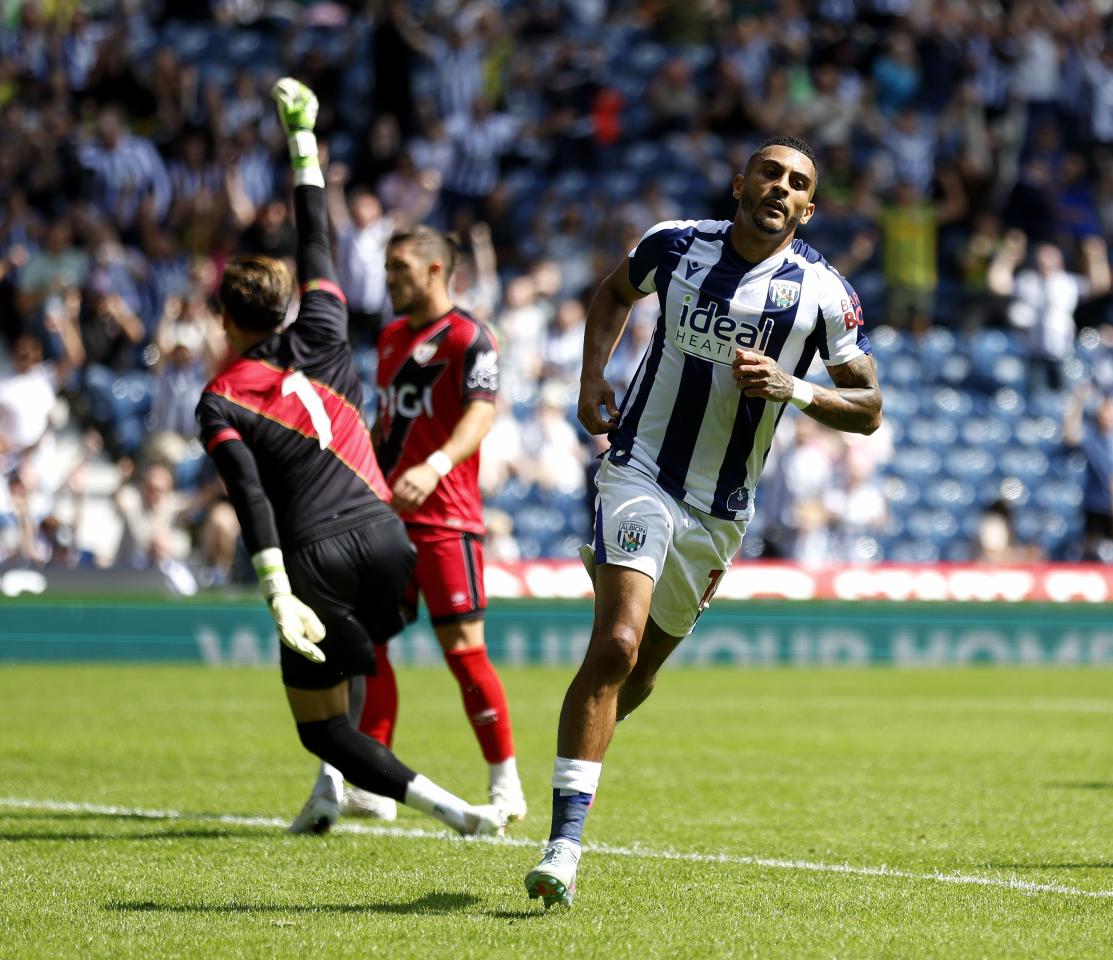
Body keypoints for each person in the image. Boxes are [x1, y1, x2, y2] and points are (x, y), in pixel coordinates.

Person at [523, 136, 882, 907]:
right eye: (769, 172)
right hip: (640, 469)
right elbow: (613, 294)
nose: (780, 187)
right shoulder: (675, 246)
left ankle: (584, 735)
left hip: (720, 511)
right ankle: (564, 844)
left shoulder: (823, 294)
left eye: (798, 183)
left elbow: (871, 408)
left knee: (638, 673)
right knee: (615, 644)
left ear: (808, 208)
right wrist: (593, 379)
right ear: (740, 182)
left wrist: (794, 387)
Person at [194, 78, 503, 838]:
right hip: (388, 539)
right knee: (360, 660)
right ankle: (334, 791)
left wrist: (274, 589)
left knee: (321, 722)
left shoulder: (221, 397)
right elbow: (316, 240)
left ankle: (451, 809)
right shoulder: (328, 325)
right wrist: (304, 142)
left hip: (315, 558)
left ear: (225, 317)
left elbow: (250, 500)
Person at [327, 223, 524, 826]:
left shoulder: (470, 337)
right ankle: (374, 784)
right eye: (388, 270)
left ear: (436, 270)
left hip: (447, 521)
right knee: (369, 645)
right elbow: (388, 424)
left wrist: (436, 465)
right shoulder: (388, 338)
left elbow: (482, 415)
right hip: (388, 519)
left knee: (463, 652)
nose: (389, 281)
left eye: (401, 269)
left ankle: (505, 783)